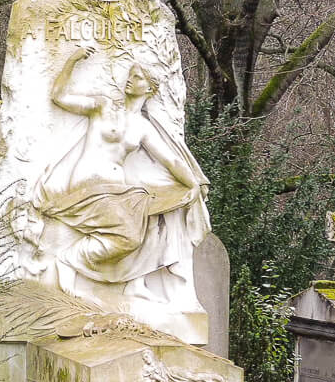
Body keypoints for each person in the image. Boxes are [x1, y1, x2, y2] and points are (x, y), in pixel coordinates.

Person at [33, 47, 211, 302]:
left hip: (119, 191)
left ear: (149, 88)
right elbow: (59, 96)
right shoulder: (103, 106)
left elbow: (170, 160)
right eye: (130, 75)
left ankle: (135, 284)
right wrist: (72, 60)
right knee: (129, 234)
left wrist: (192, 185)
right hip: (91, 185)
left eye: (137, 77)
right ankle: (69, 259)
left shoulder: (142, 127)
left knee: (156, 218)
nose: (130, 79)